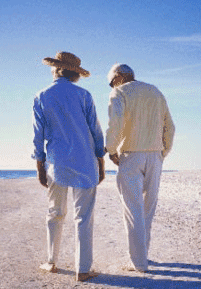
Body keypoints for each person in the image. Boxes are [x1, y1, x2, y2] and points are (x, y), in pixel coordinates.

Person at [32, 51, 106, 282]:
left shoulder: (42, 95)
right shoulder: (84, 95)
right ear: (75, 73)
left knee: (55, 213)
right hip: (85, 162)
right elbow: (95, 131)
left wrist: (39, 167)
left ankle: (51, 262)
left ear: (55, 69)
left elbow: (38, 135)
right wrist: (101, 162)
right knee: (83, 217)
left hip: (57, 163)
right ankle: (82, 269)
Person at [106, 64, 175, 272]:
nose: (111, 87)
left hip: (131, 155)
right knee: (148, 209)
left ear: (118, 77)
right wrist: (163, 152)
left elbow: (115, 122)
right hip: (155, 156)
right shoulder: (155, 91)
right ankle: (143, 255)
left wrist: (111, 149)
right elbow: (169, 126)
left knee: (132, 209)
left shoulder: (119, 92)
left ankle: (138, 263)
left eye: (110, 82)